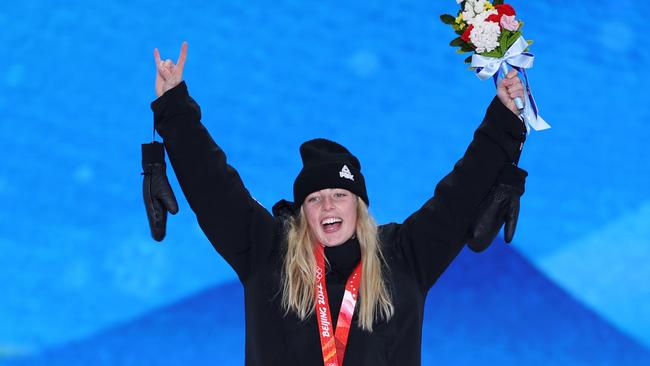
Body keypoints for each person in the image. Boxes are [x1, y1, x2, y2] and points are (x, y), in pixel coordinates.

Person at [150, 42, 527, 365]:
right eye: (314, 199)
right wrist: (174, 108)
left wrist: (504, 120)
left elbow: (458, 197)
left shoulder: (403, 256)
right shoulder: (266, 254)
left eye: (339, 195)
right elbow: (213, 188)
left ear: (358, 205)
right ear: (302, 213)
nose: (327, 206)